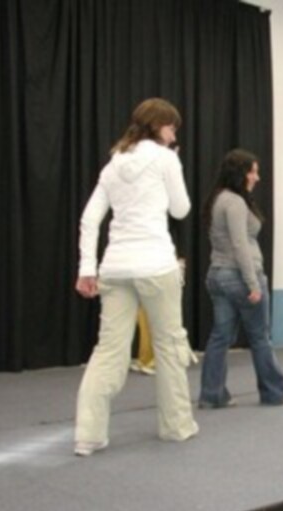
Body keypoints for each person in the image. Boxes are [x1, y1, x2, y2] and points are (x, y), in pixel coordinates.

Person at [74, 97, 199, 456]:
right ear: (159, 126)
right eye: (172, 127)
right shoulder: (166, 158)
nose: (174, 134)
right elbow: (181, 209)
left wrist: (86, 269)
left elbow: (89, 219)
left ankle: (88, 435)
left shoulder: (114, 163)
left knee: (108, 351)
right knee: (169, 345)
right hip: (156, 265)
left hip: (115, 268)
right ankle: (176, 426)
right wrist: (175, 161)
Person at [198, 149, 283, 408]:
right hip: (239, 276)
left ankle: (211, 395)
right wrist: (253, 284)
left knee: (220, 336)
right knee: (260, 337)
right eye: (253, 172)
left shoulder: (218, 198)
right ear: (240, 173)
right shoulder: (235, 203)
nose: (257, 177)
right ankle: (274, 392)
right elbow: (240, 245)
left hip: (218, 275)